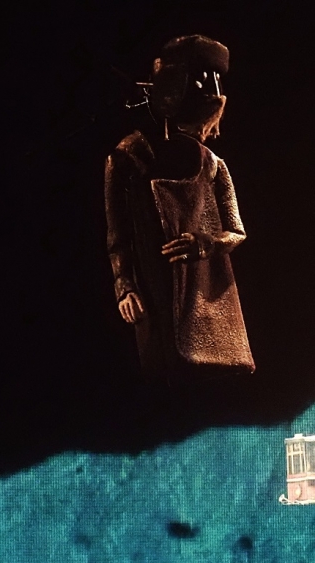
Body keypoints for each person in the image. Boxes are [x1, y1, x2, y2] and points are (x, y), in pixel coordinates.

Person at [104, 35, 255, 384]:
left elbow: (236, 230)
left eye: (215, 81)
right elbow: (118, 233)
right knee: (164, 373)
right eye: (201, 79)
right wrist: (124, 284)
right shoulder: (128, 157)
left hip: (204, 296)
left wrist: (206, 243)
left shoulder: (213, 164)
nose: (212, 91)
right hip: (154, 291)